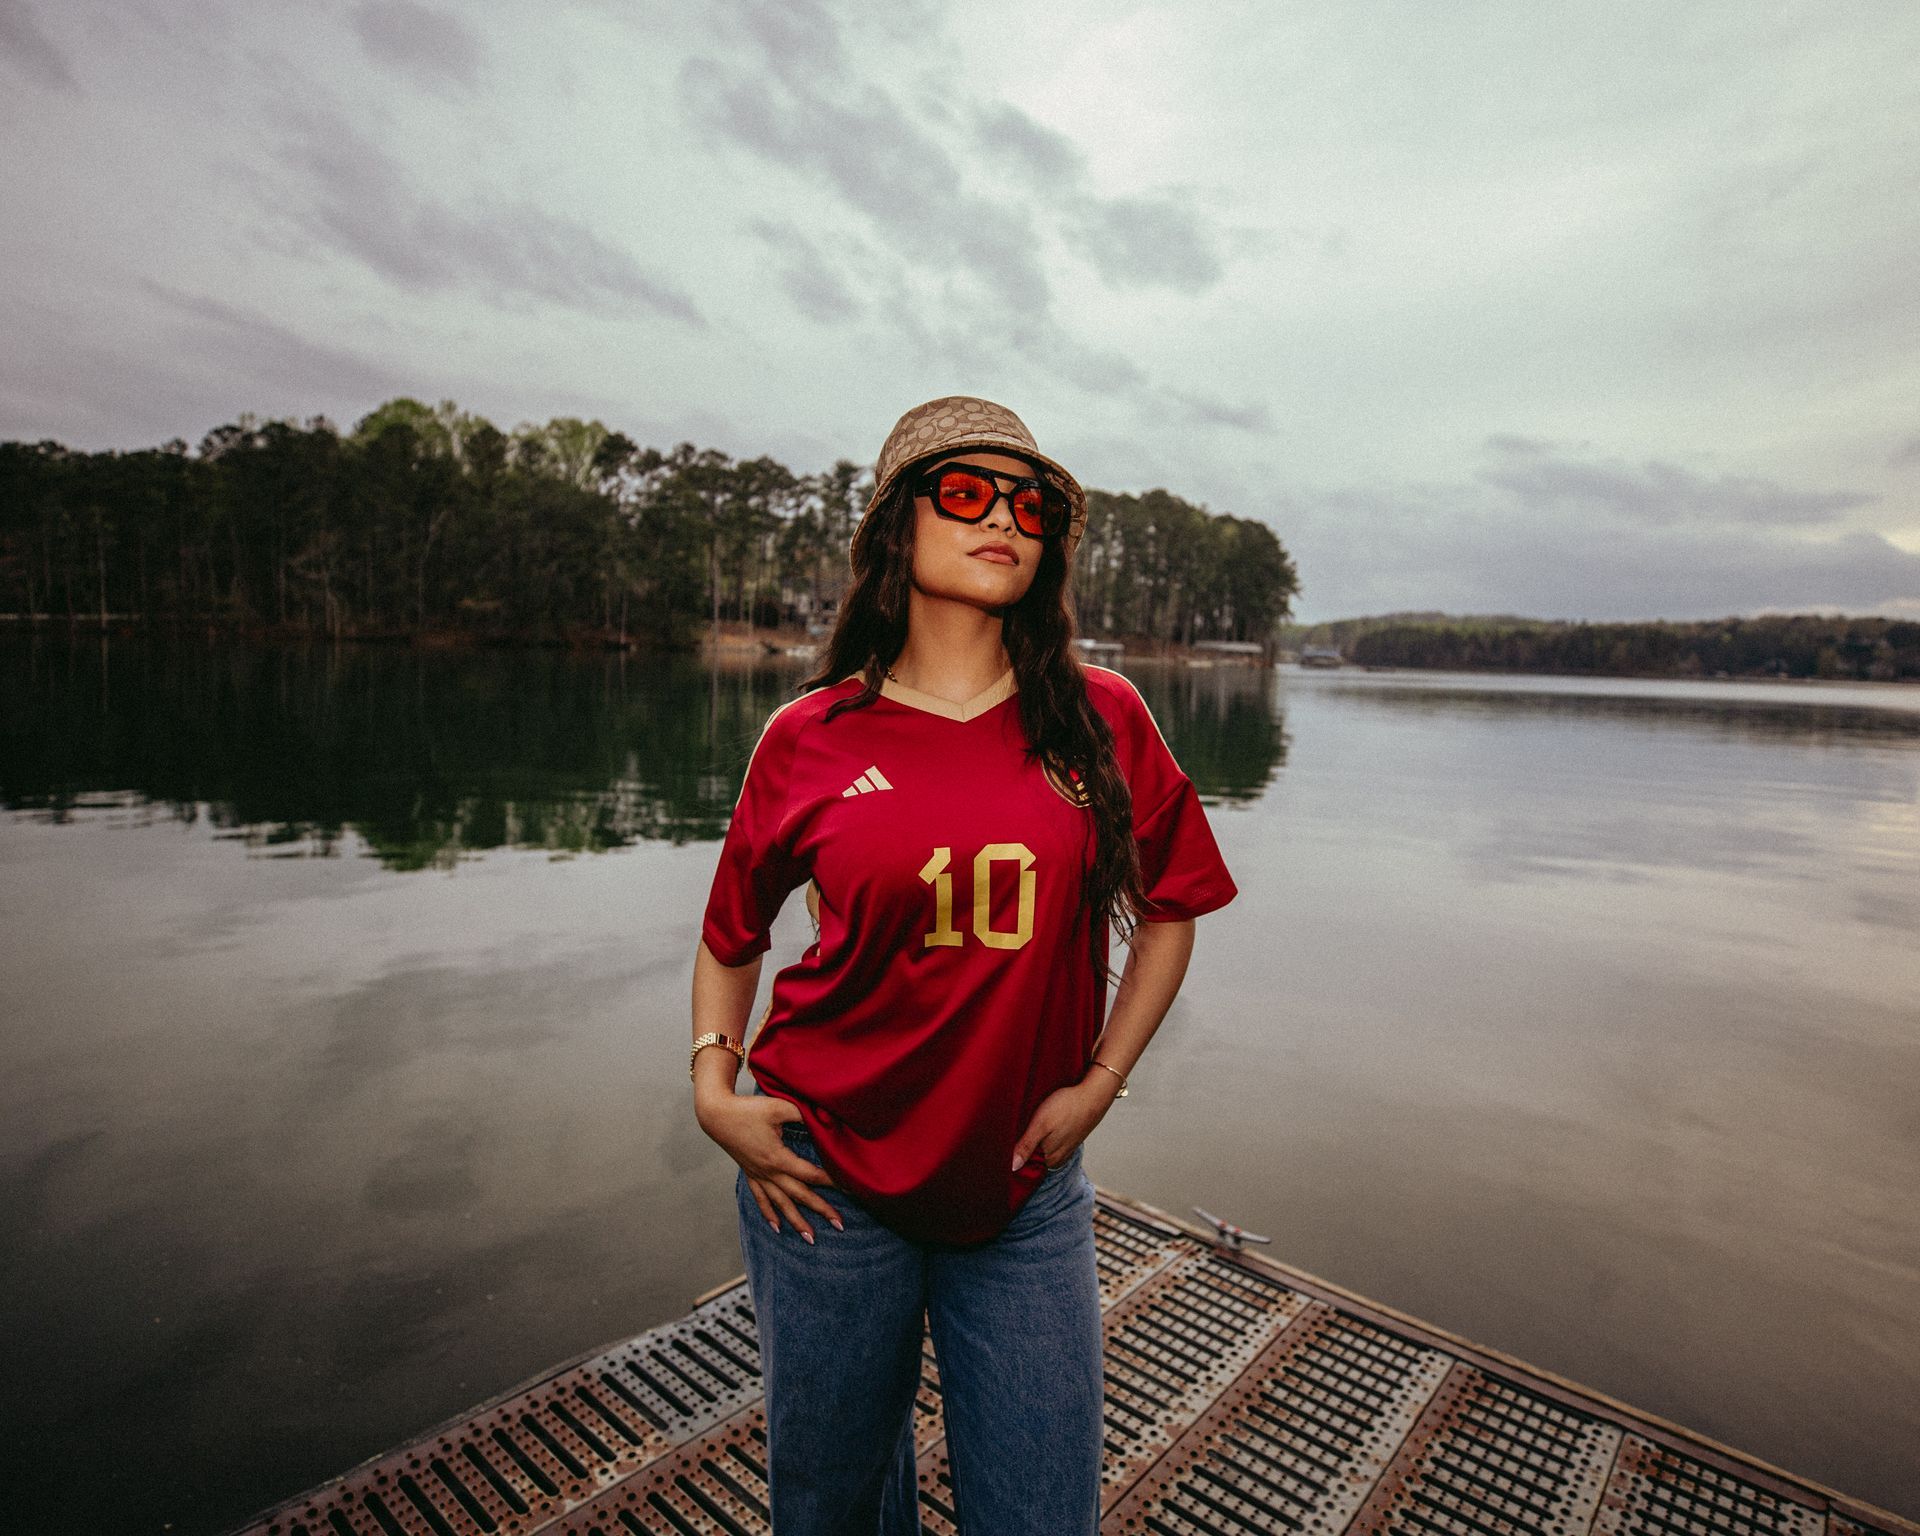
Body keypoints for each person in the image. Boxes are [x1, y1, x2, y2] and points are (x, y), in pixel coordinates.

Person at [689, 395, 1239, 1534]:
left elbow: (1174, 907)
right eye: (967, 492)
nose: (1005, 518)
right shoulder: (812, 737)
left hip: (1026, 1192)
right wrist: (712, 1089)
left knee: (1043, 1514)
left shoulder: (1103, 719)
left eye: (1029, 503)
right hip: (824, 1182)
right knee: (833, 1508)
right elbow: (733, 933)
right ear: (899, 526)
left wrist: (1100, 1081)